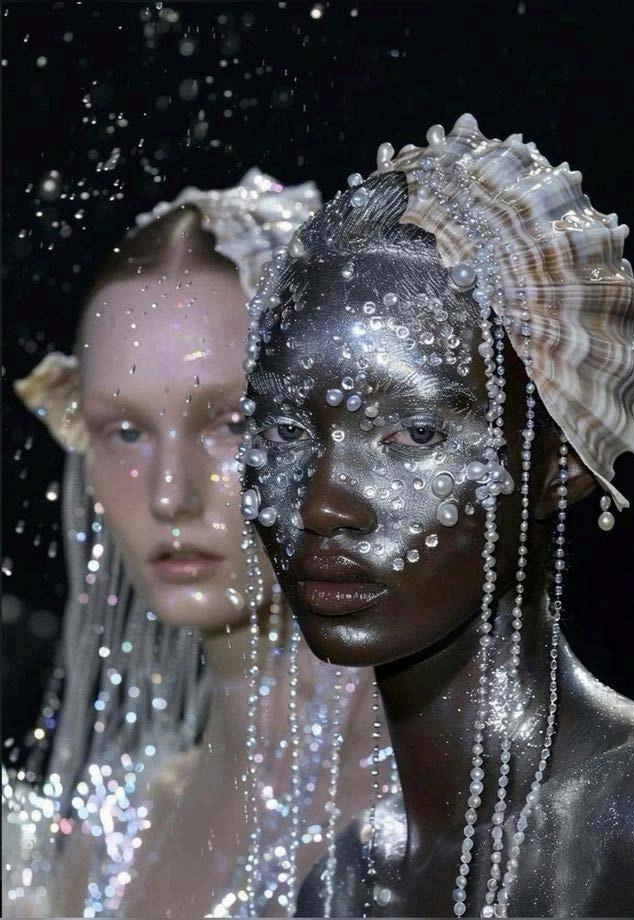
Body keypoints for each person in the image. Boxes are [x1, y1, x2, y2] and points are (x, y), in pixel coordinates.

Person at [240, 116, 634, 917]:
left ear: (559, 462)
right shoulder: (344, 886)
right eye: (287, 431)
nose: (323, 503)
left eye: (415, 434)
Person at [4, 170, 383, 919]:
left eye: (232, 421)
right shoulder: (114, 835)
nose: (169, 493)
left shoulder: (449, 808)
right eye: (125, 431)